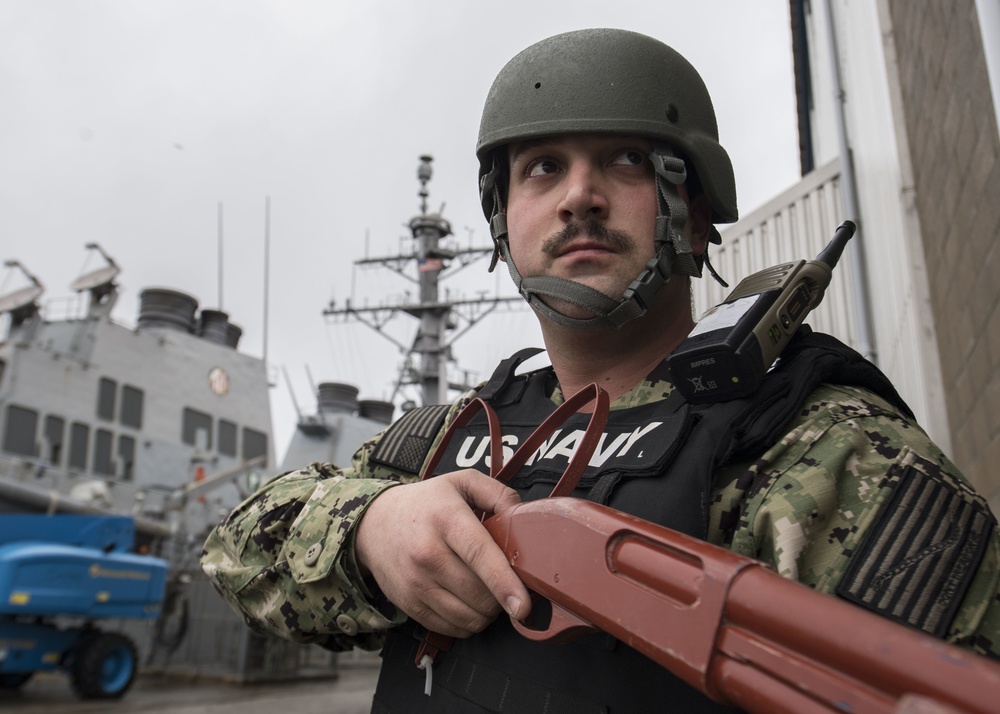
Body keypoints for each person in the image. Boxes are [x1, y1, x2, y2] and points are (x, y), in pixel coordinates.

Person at [202, 28, 1000, 712]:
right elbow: (235, 551)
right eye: (542, 167)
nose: (579, 196)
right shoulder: (447, 438)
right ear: (502, 221)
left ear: (692, 215)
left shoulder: (825, 451)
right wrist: (371, 532)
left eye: (624, 161)